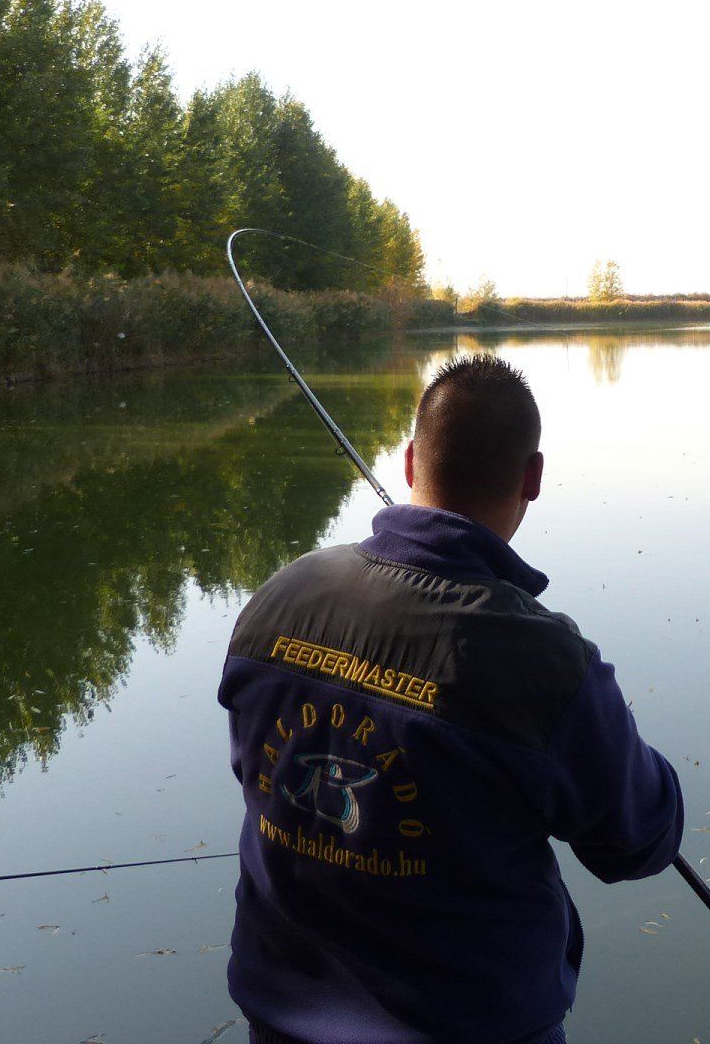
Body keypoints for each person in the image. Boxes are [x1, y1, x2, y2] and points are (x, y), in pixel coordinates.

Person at [217, 353, 684, 1044]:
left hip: (280, 1020)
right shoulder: (545, 664)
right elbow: (637, 842)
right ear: (532, 477)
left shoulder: (280, 596)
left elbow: (256, 772)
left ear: (410, 461)